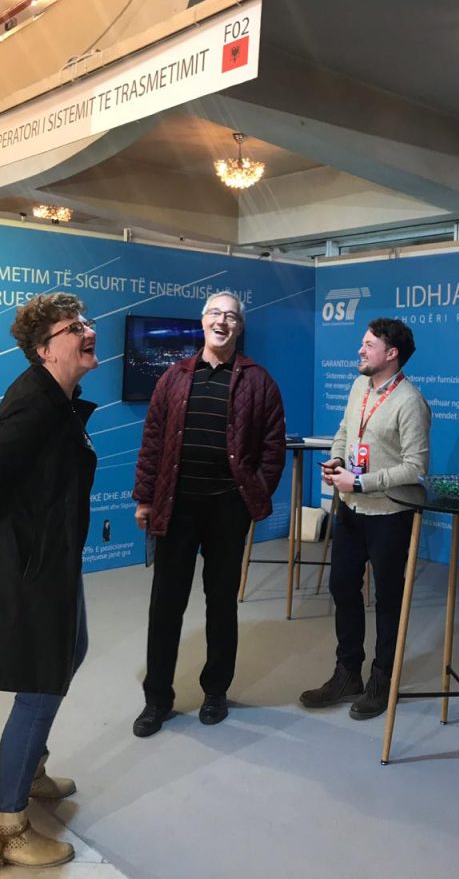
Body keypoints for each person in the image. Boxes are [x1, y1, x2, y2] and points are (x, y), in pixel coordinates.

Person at [0, 293, 98, 869]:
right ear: (44, 349)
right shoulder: (36, 405)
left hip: (51, 560)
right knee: (41, 684)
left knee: (71, 651)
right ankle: (5, 823)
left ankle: (30, 769)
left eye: (86, 323)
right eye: (74, 328)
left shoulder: (57, 399)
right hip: (32, 567)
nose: (88, 332)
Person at [132, 290, 285, 736]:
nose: (222, 321)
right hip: (175, 507)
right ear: (202, 321)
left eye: (231, 316)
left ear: (240, 326)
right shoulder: (174, 377)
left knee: (221, 604)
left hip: (226, 510)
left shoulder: (259, 381)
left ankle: (215, 690)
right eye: (215, 314)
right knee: (165, 606)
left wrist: (251, 496)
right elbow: (152, 442)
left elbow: (273, 449)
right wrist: (145, 498)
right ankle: (157, 699)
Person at [300, 318, 431, 719]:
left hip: (390, 514)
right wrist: (338, 458)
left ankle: (382, 678)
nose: (360, 350)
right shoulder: (360, 386)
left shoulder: (410, 401)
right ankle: (347, 673)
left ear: (391, 354)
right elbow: (344, 431)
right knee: (342, 587)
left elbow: (415, 467)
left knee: (388, 598)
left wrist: (360, 481)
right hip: (351, 510)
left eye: (369, 344)